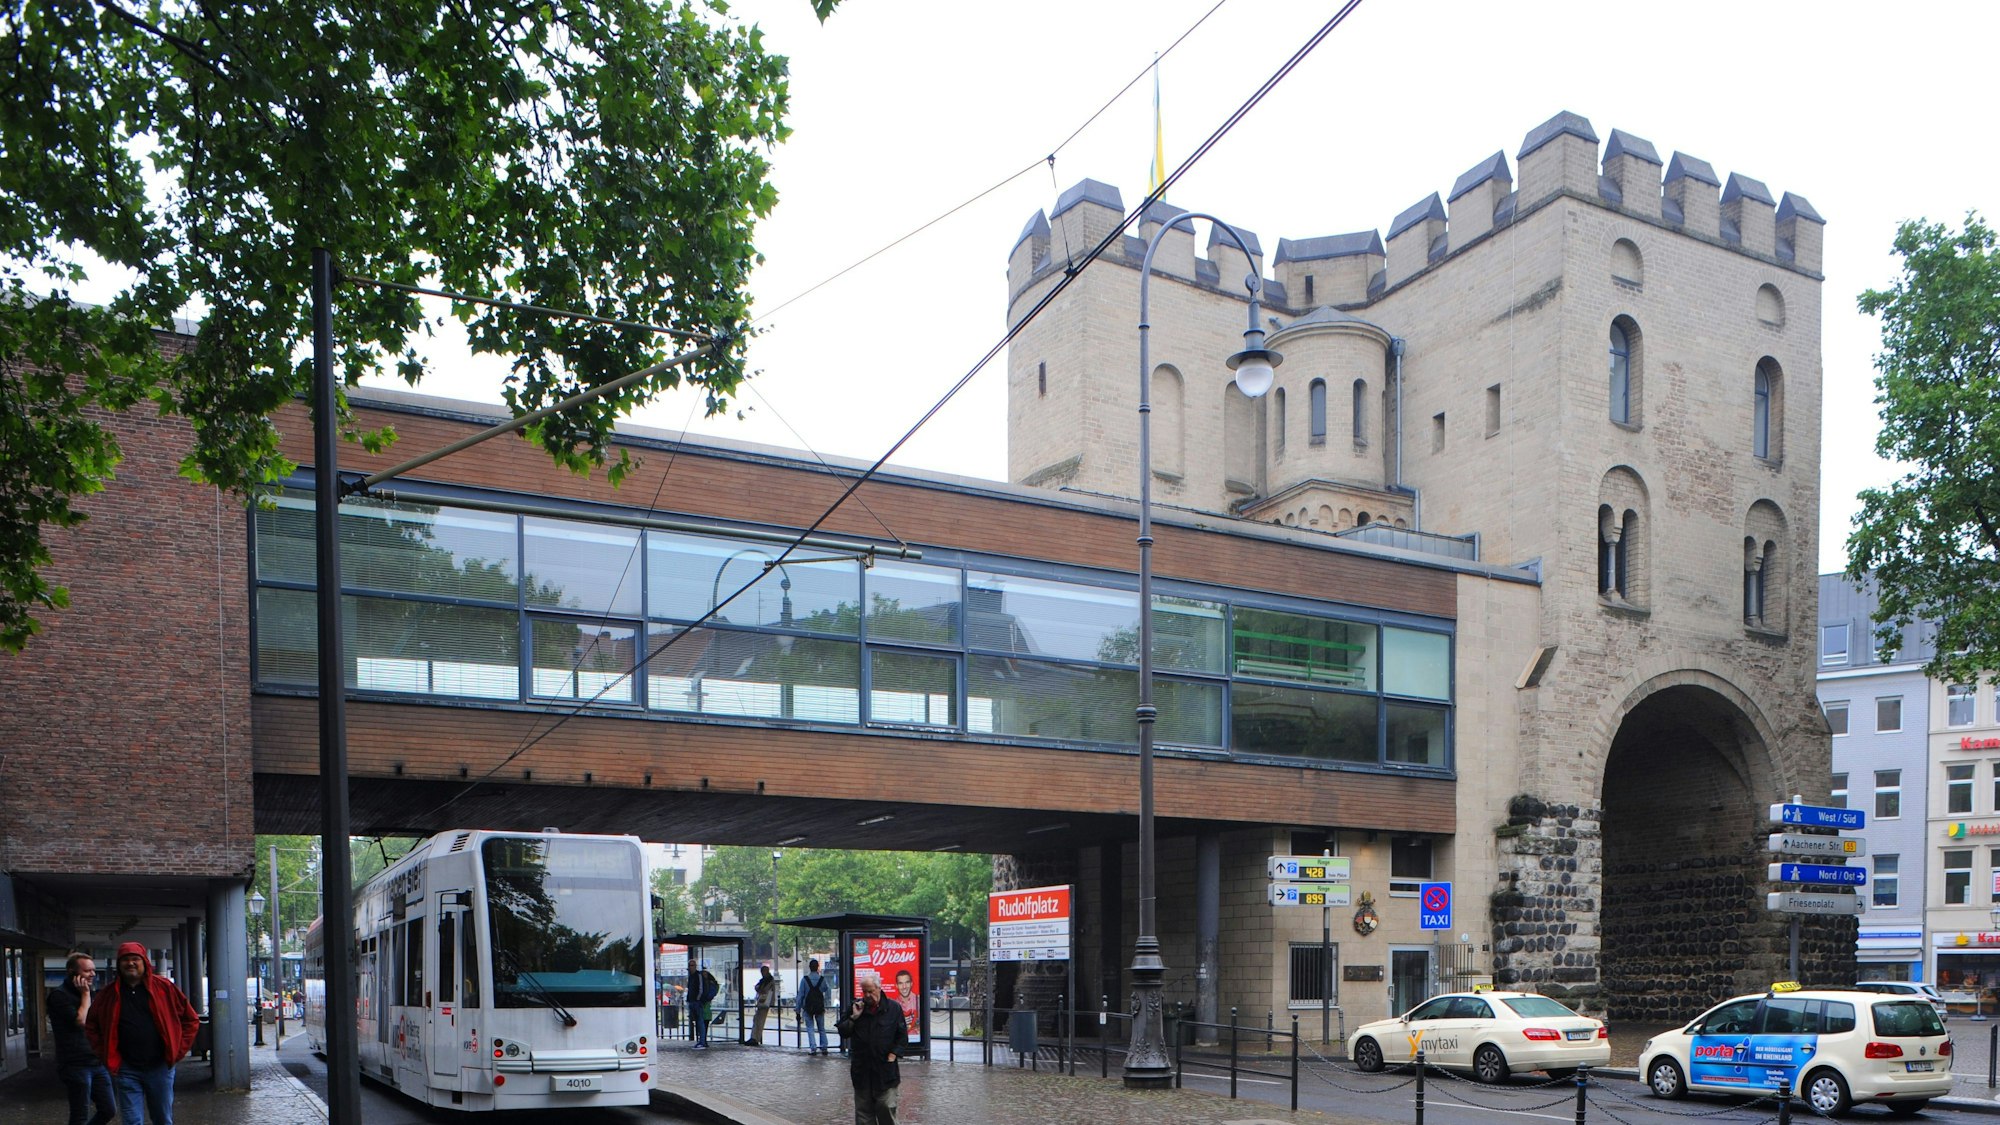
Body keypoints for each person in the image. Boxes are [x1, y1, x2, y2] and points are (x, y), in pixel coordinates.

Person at [85, 941, 200, 1125]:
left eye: (135, 959)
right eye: (125, 960)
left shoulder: (164, 988)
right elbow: (91, 1025)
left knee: (162, 1119)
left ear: (144, 962)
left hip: (160, 1067)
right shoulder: (108, 994)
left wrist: (177, 1050)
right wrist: (106, 1054)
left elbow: (191, 1020)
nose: (130, 963)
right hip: (127, 1068)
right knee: (132, 1121)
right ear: (119, 964)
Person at [47, 952, 115, 1125]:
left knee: (108, 1110)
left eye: (93, 970)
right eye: (87, 971)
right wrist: (85, 995)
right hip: (75, 1064)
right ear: (72, 972)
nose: (93, 974)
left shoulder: (90, 995)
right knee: (79, 1115)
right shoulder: (59, 996)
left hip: (96, 1063)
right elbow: (81, 1021)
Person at [835, 970, 904, 1125]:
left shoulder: (893, 1008)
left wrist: (893, 1054)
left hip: (885, 1071)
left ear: (879, 988)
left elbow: (902, 1036)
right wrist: (854, 1017)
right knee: (864, 1115)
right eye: (864, 991)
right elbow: (843, 1031)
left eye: (870, 991)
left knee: (886, 1107)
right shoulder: (856, 1007)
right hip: (862, 1071)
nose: (867, 995)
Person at [796, 957, 831, 1055]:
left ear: (809, 967)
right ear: (817, 967)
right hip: (819, 1007)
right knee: (821, 1028)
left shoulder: (805, 980)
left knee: (810, 1028)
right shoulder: (822, 979)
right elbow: (826, 989)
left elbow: (800, 995)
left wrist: (798, 1010)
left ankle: (813, 1048)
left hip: (808, 1007)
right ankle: (824, 1047)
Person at [692, 962, 720, 1048]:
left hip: (705, 1006)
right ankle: (702, 1040)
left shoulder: (709, 984)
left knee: (703, 1024)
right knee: (702, 1024)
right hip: (704, 1006)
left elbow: (711, 994)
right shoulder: (709, 984)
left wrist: (704, 999)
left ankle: (702, 1040)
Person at [748, 964, 776, 1045]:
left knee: (759, 1020)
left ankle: (755, 1038)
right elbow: (758, 987)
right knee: (757, 1019)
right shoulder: (766, 980)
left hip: (764, 1002)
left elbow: (762, 989)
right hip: (762, 1002)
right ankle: (755, 1037)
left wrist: (759, 989)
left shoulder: (768, 980)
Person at [894, 968, 921, 1044]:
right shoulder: (893, 1004)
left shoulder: (919, 1000)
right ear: (896, 985)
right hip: (899, 1042)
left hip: (915, 1039)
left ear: (911, 983)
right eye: (900, 983)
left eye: (907, 982)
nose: (904, 986)